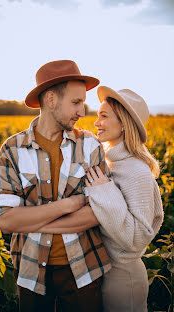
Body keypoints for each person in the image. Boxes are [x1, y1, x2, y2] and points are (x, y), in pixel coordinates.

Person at [0, 60, 111, 312]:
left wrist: (31, 218)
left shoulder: (90, 147)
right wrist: (67, 205)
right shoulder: (11, 151)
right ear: (51, 99)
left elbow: (98, 212)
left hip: (85, 270)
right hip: (31, 270)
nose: (83, 112)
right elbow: (7, 222)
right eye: (76, 102)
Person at [39, 86, 164, 312]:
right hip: (101, 272)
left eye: (104, 116)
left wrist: (106, 192)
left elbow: (136, 240)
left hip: (124, 279)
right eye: (98, 115)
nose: (96, 123)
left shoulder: (138, 172)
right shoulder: (108, 163)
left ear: (124, 123)